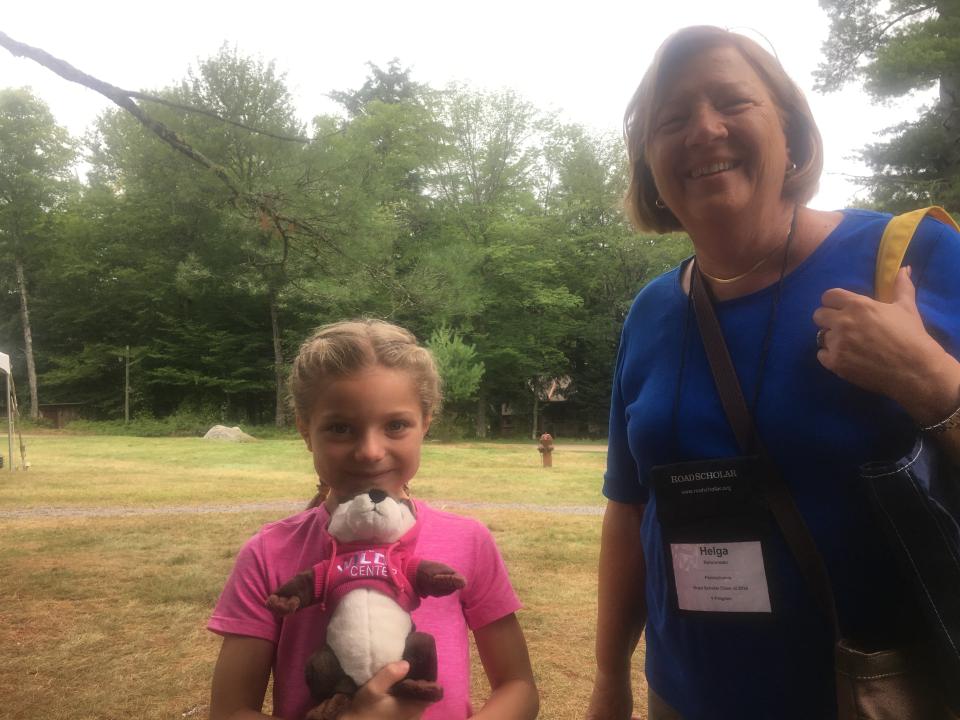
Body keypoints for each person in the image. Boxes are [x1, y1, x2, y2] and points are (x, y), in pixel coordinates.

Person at [586, 25, 960, 720]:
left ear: (790, 132)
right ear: (650, 164)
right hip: (685, 698)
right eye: (671, 119)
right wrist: (610, 677)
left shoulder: (913, 256)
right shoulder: (652, 313)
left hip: (872, 696)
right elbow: (629, 509)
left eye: (732, 101)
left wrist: (931, 380)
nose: (703, 129)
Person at [208, 319, 539, 720]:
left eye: (396, 425)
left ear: (425, 424)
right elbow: (230, 709)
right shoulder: (268, 554)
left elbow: (517, 686)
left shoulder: (468, 541)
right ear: (305, 430)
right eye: (341, 428)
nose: (369, 451)